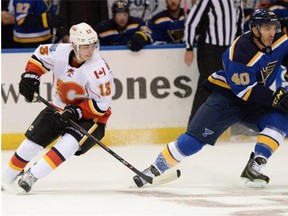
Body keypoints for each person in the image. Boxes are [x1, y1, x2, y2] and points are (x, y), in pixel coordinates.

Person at [132, 9, 288, 188]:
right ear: (254, 29)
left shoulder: (279, 39)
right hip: (227, 99)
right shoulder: (240, 53)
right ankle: (153, 170)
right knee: (194, 141)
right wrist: (275, 97)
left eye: (273, 27)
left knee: (282, 118)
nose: (271, 33)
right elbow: (244, 91)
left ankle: (256, 164)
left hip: (254, 99)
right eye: (266, 28)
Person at [1, 22, 114, 193]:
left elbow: (102, 105)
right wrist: (31, 75)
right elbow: (39, 55)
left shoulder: (98, 69)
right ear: (74, 45)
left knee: (68, 144)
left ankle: (32, 175)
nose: (90, 50)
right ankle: (7, 176)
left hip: (92, 117)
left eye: (93, 45)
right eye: (85, 46)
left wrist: (77, 111)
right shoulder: (60, 51)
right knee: (31, 143)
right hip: (59, 107)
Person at [184, 0, 244, 125]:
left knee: (234, 85)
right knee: (206, 86)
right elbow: (192, 23)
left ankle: (236, 127)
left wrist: (240, 47)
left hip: (229, 48)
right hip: (209, 48)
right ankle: (193, 126)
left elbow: (239, 24)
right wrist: (189, 47)